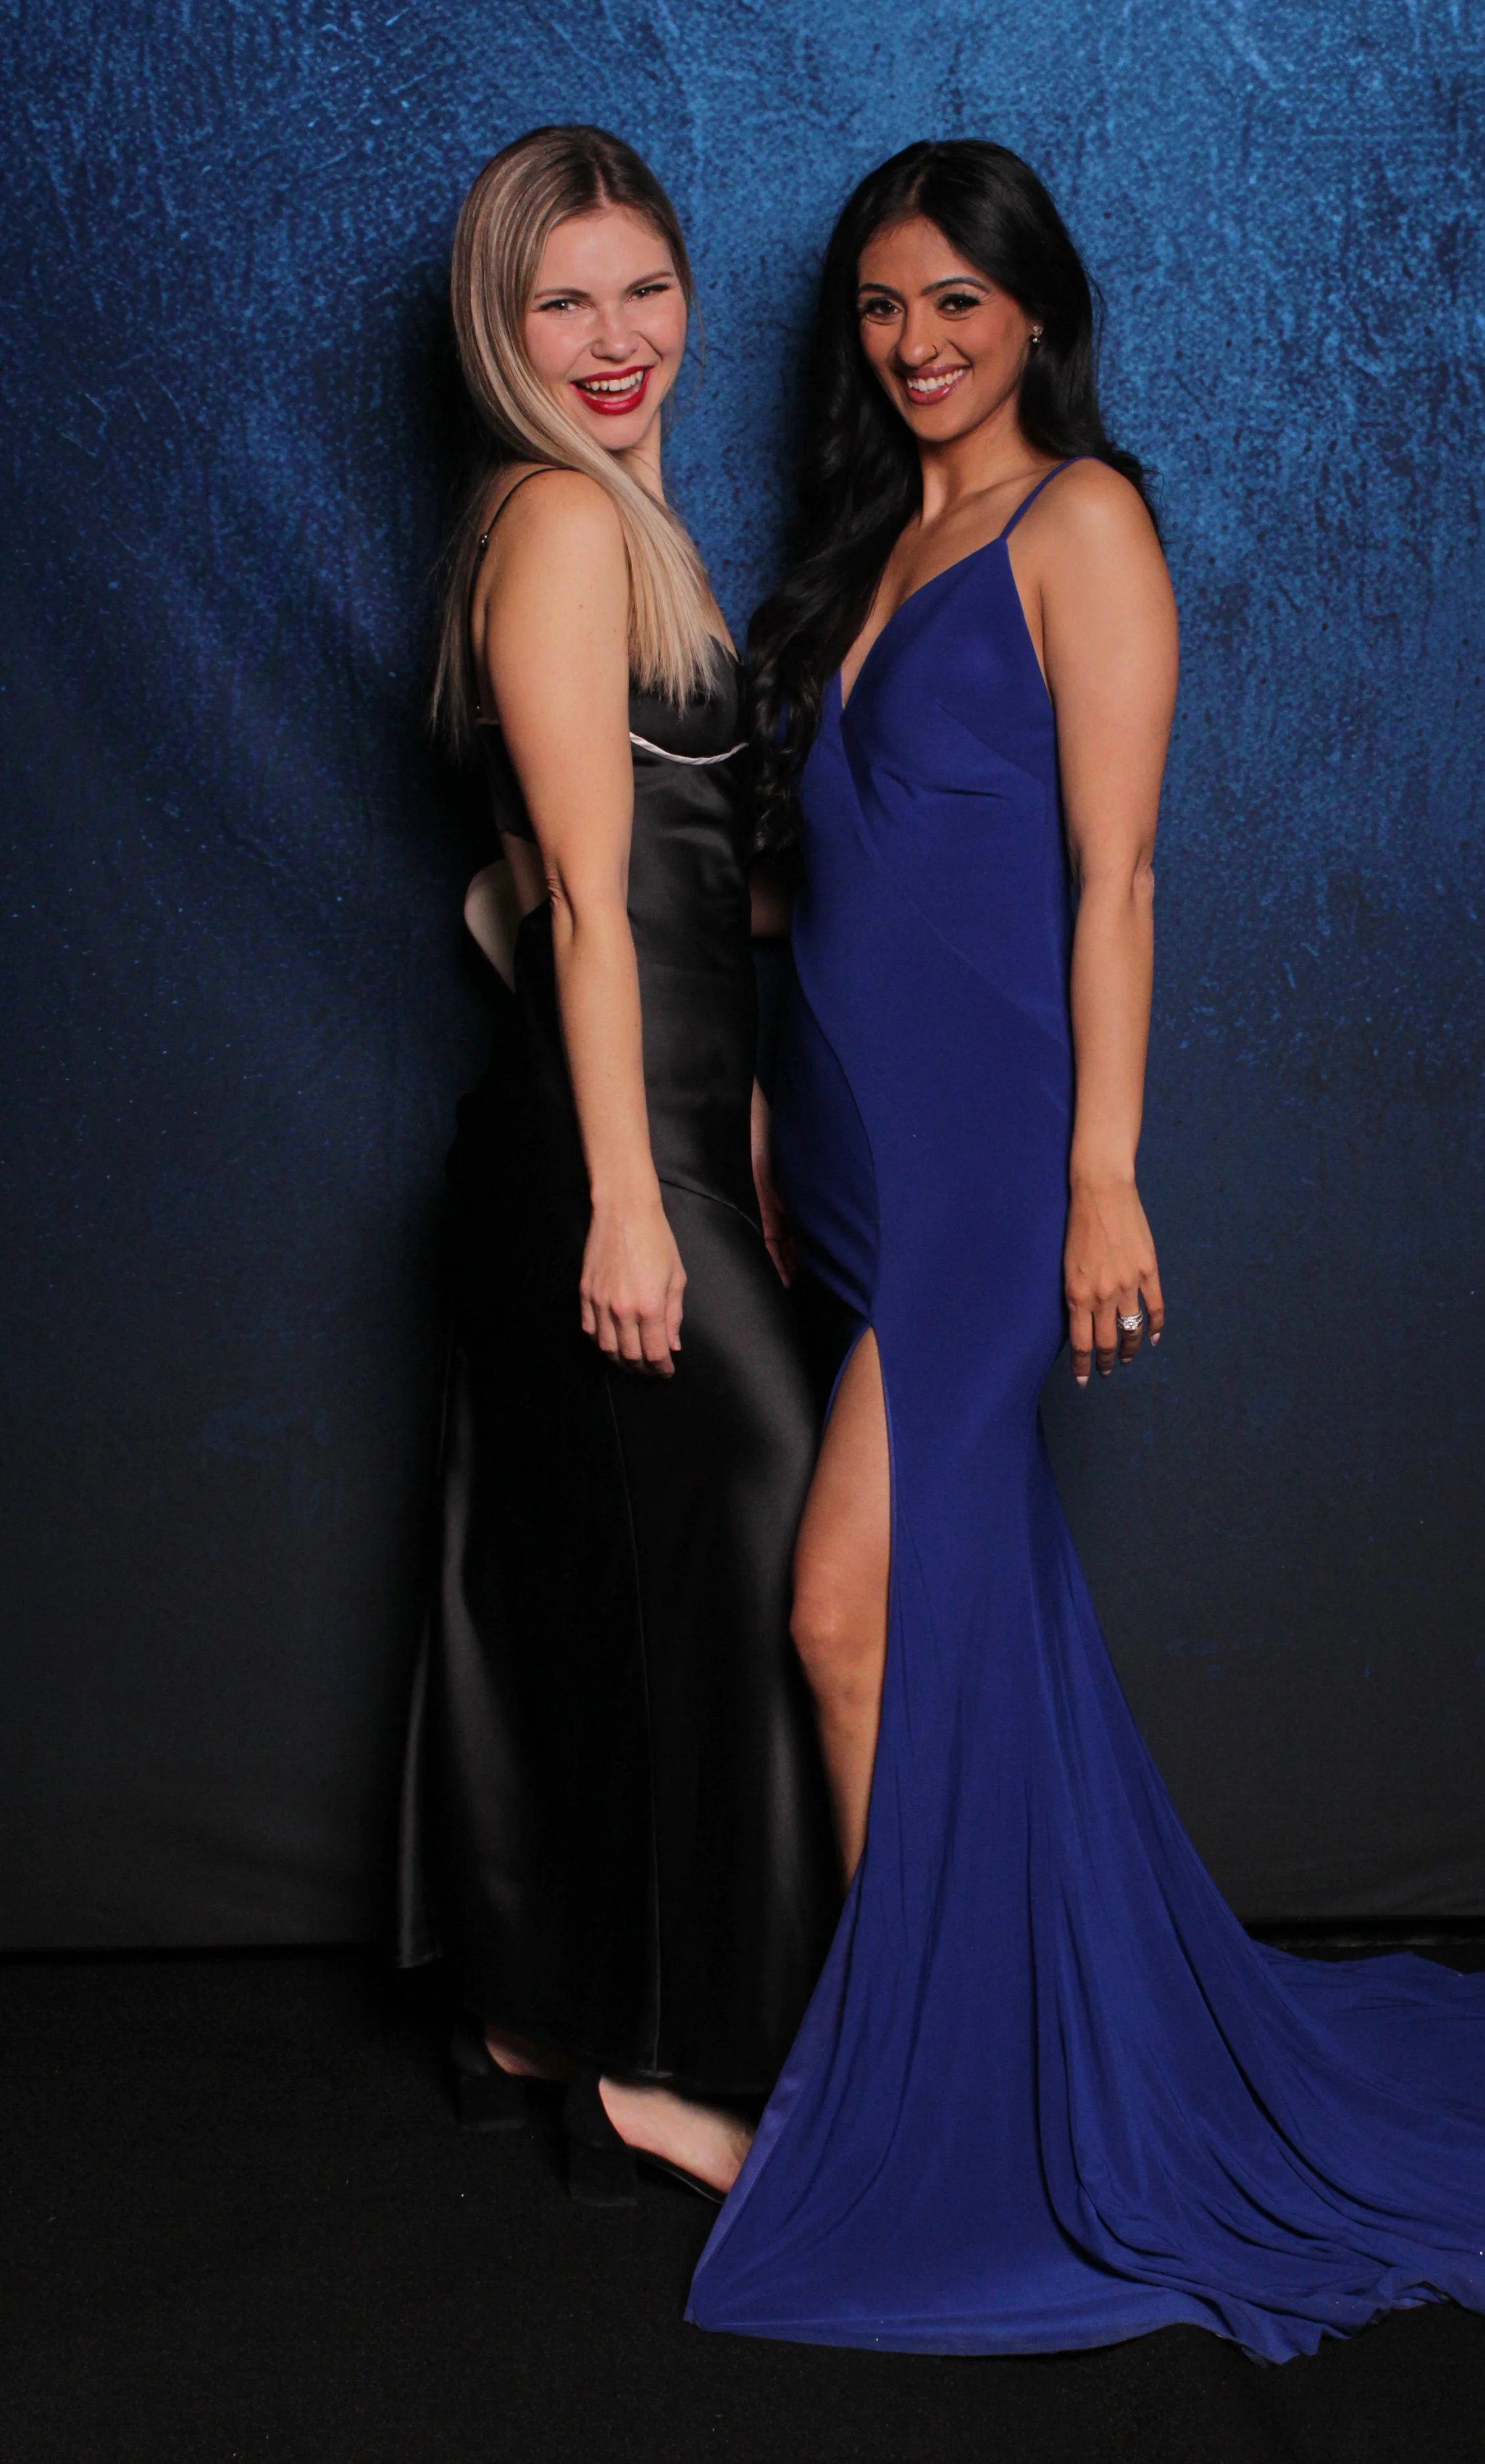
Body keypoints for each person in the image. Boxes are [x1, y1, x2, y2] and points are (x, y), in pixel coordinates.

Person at [686, 139, 1485, 2353]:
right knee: (959, 1611)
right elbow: (804, 870)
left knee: (845, 1613)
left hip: (991, 1159)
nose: (916, 346)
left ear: (1034, 308)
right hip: (840, 1141)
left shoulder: (1079, 521)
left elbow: (1112, 878)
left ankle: (934, 2096)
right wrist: (754, 1091)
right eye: (880, 310)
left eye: (955, 303)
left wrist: (1102, 1173)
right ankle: (996, 2034)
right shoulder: (865, 538)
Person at [396, 125, 835, 2203]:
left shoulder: (633, 529)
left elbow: (637, 888)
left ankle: (525, 2009)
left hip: (643, 1129)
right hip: (595, 1158)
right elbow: (577, 901)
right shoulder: (561, 529)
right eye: (559, 298)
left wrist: (736, 1108)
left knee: (581, 1579)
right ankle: (674, 2071)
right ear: (499, 325)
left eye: (640, 288)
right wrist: (632, 1197)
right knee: (747, 1548)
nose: (611, 336)